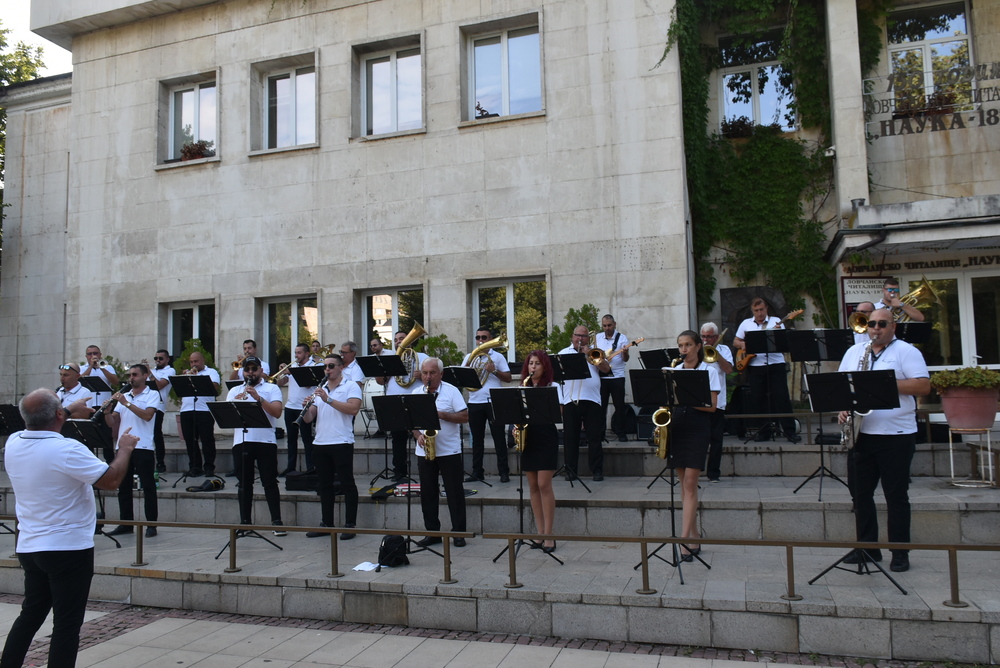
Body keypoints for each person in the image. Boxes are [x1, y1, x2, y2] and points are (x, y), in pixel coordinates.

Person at [1, 389, 137, 668]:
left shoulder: (13, 442)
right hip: (67, 547)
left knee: (30, 614)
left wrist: (69, 410)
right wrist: (124, 449)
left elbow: (41, 423)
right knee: (66, 624)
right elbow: (110, 480)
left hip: (30, 545)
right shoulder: (67, 449)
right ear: (59, 415)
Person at [838, 308, 930, 573]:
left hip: (896, 436)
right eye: (871, 324)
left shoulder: (906, 352)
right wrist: (842, 408)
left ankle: (900, 553)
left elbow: (923, 386)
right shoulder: (855, 352)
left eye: (881, 324)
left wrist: (882, 383)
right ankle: (867, 548)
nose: (875, 328)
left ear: (893, 327)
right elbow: (842, 385)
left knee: (896, 495)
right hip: (861, 434)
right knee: (860, 494)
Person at [670, 331, 720, 560]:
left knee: (690, 483)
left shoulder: (708, 370)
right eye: (681, 345)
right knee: (683, 485)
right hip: (678, 426)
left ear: (698, 346)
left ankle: (683, 540)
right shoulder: (674, 370)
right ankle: (695, 535)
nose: (683, 349)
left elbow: (712, 406)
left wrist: (685, 399)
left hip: (698, 428)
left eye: (688, 345)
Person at [302, 354, 362, 539]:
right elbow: (310, 417)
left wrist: (328, 399)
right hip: (321, 442)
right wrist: (304, 408)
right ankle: (326, 523)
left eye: (331, 366)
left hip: (341, 441)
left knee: (347, 483)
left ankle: (350, 524)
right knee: (324, 484)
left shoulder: (350, 386)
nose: (327, 369)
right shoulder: (320, 388)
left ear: (340, 368)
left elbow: (353, 409)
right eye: (325, 367)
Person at [226, 357, 287, 535]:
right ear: (242, 372)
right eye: (247, 369)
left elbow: (276, 412)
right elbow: (227, 417)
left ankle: (277, 522)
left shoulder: (271, 388)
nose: (250, 372)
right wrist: (235, 403)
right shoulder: (235, 390)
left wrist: (257, 398)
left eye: (254, 369)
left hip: (265, 441)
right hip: (242, 441)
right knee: (244, 483)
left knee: (269, 482)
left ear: (260, 370)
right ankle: (245, 522)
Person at [413, 358, 469, 548]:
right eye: (425, 373)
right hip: (425, 450)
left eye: (432, 373)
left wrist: (442, 414)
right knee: (428, 493)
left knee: (454, 492)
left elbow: (464, 416)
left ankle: (459, 532)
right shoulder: (416, 393)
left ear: (441, 374)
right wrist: (418, 435)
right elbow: (411, 421)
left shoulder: (451, 391)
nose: (428, 376)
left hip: (449, 450)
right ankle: (433, 533)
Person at [733, 298, 799, 443]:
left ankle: (790, 431)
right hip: (755, 366)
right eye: (756, 311)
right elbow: (735, 341)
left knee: (781, 397)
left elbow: (782, 342)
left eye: (762, 310)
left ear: (766, 309)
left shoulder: (776, 322)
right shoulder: (746, 324)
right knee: (758, 399)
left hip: (775, 364)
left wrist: (775, 334)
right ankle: (764, 432)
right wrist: (743, 344)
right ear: (752, 311)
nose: (759, 313)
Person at [105, 364, 160, 537]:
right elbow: (112, 423)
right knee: (124, 487)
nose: (132, 378)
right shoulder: (125, 396)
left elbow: (147, 416)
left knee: (148, 486)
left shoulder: (152, 394)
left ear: (145, 376)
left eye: (135, 375)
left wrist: (126, 403)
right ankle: (126, 523)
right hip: (123, 448)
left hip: (142, 445)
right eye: (130, 375)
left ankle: (151, 524)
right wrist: (107, 412)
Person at [558, 326, 611, 481]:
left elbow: (606, 369)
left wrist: (589, 354)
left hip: (592, 399)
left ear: (589, 338)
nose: (580, 339)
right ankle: (571, 470)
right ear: (572, 336)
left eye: (583, 336)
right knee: (570, 437)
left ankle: (597, 471)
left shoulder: (596, 352)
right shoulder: (563, 353)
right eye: (577, 336)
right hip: (570, 400)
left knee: (594, 437)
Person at [519, 350, 559, 552]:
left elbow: (558, 411)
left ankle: (549, 534)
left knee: (544, 484)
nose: (533, 367)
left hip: (545, 436)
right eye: (531, 363)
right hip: (528, 437)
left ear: (545, 367)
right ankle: (539, 533)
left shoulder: (552, 387)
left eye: (537, 364)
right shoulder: (522, 387)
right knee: (533, 486)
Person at [462, 326, 513, 483]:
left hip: (494, 402)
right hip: (475, 402)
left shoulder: (497, 357)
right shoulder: (470, 357)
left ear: (490, 340)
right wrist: (468, 369)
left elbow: (509, 378)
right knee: (477, 440)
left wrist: (494, 371)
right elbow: (462, 378)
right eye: (478, 338)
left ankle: (503, 472)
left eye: (484, 337)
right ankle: (477, 472)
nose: (481, 340)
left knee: (499, 438)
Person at [376, 330, 427, 480]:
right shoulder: (390, 358)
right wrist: (387, 371)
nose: (399, 342)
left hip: (415, 401)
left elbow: (432, 377)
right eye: (396, 339)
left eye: (402, 339)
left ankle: (424, 468)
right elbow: (380, 381)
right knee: (398, 438)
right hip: (395, 400)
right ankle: (399, 471)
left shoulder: (422, 357)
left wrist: (421, 375)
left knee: (420, 436)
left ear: (410, 341)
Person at [278, 343, 320, 475]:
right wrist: (281, 374)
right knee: (291, 439)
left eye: (299, 353)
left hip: (305, 408)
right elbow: (280, 384)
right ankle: (290, 467)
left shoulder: (314, 366)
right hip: (290, 407)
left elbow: (307, 384)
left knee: (307, 439)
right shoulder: (293, 367)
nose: (296, 356)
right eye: (295, 353)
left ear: (307, 354)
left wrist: (291, 372)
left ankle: (310, 467)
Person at [700, 322, 733, 482]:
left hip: (717, 402)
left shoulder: (724, 350)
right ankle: (695, 470)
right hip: (699, 401)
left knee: (716, 439)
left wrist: (715, 354)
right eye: (704, 336)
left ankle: (713, 473)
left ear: (717, 337)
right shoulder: (697, 349)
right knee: (698, 438)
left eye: (709, 336)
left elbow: (728, 370)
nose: (706, 340)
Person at [178, 351, 220, 476]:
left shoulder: (211, 372)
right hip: (186, 410)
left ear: (203, 361)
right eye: (191, 362)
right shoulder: (187, 374)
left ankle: (209, 467)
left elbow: (215, 387)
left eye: (196, 361)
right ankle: (195, 467)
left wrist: (196, 378)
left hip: (204, 410)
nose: (193, 364)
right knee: (190, 441)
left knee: (207, 440)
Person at [595, 314, 631, 442]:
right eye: (604, 326)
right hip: (601, 377)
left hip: (617, 376)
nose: (607, 328)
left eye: (609, 325)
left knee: (619, 406)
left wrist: (625, 353)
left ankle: (621, 432)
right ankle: (600, 433)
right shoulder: (597, 337)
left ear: (614, 324)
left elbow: (625, 359)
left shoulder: (622, 338)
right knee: (600, 407)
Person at [81, 344, 119, 462]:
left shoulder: (108, 367)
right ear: (86, 356)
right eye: (90, 354)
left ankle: (110, 461)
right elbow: (80, 381)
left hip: (104, 406)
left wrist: (102, 368)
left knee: (107, 434)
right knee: (89, 434)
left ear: (100, 355)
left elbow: (115, 381)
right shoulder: (82, 368)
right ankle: (90, 460)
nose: (93, 356)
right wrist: (90, 367)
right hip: (89, 406)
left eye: (95, 353)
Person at [150, 349, 173, 472]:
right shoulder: (152, 371)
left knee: (156, 434)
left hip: (158, 406)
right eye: (156, 358)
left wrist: (147, 372)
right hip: (144, 405)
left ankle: (160, 462)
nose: (157, 361)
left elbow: (159, 385)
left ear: (167, 359)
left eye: (160, 358)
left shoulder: (170, 370)